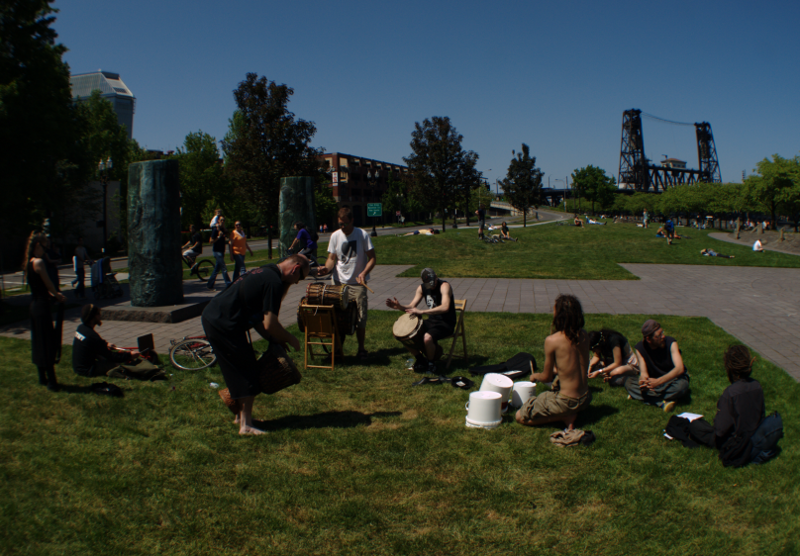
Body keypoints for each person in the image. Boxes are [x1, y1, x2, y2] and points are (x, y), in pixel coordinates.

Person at [201, 255, 310, 435]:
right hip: (223, 322)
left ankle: (241, 418)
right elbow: (270, 323)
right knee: (247, 370)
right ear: (295, 268)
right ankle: (246, 426)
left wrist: (274, 339)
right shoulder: (274, 282)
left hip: (217, 317)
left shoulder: (267, 271)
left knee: (243, 368)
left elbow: (258, 320)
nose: (298, 282)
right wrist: (291, 338)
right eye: (301, 277)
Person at [516, 294, 592, 431]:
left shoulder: (552, 340)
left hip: (567, 402)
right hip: (585, 397)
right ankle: (567, 413)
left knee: (520, 416)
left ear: (559, 315)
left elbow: (547, 377)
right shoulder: (584, 335)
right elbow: (571, 366)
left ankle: (564, 417)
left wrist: (535, 376)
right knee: (548, 394)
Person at [317, 207, 376, 360]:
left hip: (357, 283)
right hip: (338, 283)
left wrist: (363, 273)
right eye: (340, 224)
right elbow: (331, 258)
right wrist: (326, 269)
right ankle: (337, 349)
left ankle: (361, 349)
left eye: (345, 224)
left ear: (352, 221)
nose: (342, 227)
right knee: (337, 317)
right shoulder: (335, 236)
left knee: (360, 317)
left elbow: (372, 258)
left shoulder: (362, 234)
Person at [386, 268, 456, 373]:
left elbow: (445, 307)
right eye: (429, 285)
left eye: (434, 283)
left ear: (436, 277)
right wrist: (399, 307)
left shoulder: (444, 286)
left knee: (427, 338)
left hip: (446, 323)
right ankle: (420, 359)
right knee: (403, 335)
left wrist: (422, 311)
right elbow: (411, 306)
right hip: (432, 321)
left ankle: (431, 364)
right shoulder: (421, 288)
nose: (432, 286)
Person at [24, 232, 66, 391]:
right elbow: (48, 284)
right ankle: (52, 382)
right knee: (47, 343)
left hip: (34, 306)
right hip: (42, 307)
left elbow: (39, 286)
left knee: (38, 342)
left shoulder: (29, 263)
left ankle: (42, 377)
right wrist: (57, 295)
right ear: (37, 246)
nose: (46, 250)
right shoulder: (39, 262)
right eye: (45, 246)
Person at [624, 320, 689, 412]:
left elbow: (679, 369)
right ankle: (662, 402)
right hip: (654, 381)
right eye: (659, 335)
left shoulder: (671, 342)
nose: (663, 336)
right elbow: (643, 373)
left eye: (662, 332)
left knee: (682, 386)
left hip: (673, 379)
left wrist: (658, 382)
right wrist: (643, 383)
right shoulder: (640, 348)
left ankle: (641, 395)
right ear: (648, 339)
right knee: (628, 382)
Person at [72, 304, 134, 377]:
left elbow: (93, 344)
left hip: (77, 367)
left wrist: (106, 344)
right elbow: (112, 356)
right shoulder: (92, 336)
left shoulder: (81, 328)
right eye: (98, 313)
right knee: (116, 365)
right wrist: (130, 355)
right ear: (93, 316)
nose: (100, 316)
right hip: (87, 370)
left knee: (102, 357)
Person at [207, 216, 231, 290]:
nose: (222, 222)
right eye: (221, 220)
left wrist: (225, 229)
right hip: (217, 252)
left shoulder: (223, 229)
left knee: (216, 269)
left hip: (222, 251)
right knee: (224, 268)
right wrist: (218, 237)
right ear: (218, 221)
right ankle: (228, 284)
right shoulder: (215, 230)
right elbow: (211, 241)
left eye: (224, 220)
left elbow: (228, 235)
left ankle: (210, 284)